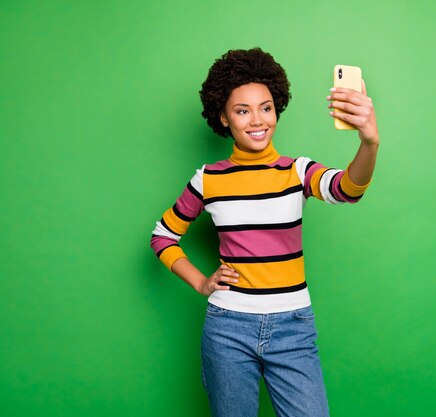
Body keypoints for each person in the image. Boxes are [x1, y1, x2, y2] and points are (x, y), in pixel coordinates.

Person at [150, 47, 379, 417]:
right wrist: (200, 283)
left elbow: (347, 190)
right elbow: (163, 235)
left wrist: (369, 142)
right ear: (223, 118)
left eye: (266, 107)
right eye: (242, 110)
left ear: (277, 108)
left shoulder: (297, 171)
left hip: (294, 327)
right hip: (227, 329)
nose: (257, 120)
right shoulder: (208, 179)